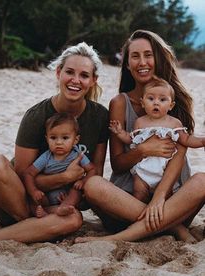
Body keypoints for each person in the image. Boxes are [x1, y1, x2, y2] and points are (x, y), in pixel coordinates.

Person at [0, 41, 109, 248]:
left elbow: (94, 173)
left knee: (74, 219)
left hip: (56, 207)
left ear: (93, 80)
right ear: (58, 73)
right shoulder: (36, 116)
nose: (75, 80)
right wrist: (64, 177)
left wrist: (72, 193)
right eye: (69, 72)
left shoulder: (99, 117)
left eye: (84, 75)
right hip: (13, 202)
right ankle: (30, 224)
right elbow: (19, 179)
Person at [75, 29, 205, 244]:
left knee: (202, 180)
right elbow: (117, 165)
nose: (142, 61)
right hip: (128, 203)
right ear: (127, 64)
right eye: (135, 56)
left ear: (158, 58)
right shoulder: (120, 103)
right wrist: (144, 150)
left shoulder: (175, 101)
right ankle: (172, 227)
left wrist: (160, 197)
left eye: (148, 54)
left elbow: (178, 157)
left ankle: (123, 237)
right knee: (93, 185)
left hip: (172, 201)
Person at [109, 76, 205, 201]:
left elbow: (186, 140)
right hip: (143, 170)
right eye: (151, 98)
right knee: (139, 192)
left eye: (162, 99)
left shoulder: (174, 123)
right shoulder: (140, 122)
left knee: (167, 195)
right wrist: (120, 132)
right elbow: (131, 140)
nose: (156, 102)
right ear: (143, 103)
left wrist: (202, 141)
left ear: (171, 105)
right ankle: (139, 211)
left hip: (165, 170)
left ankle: (163, 214)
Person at [23, 112, 95, 218]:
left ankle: (64, 207)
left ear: (75, 140)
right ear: (47, 139)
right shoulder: (46, 157)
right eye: (53, 138)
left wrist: (83, 181)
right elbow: (28, 173)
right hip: (49, 192)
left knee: (76, 191)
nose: (59, 142)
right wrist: (34, 191)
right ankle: (44, 211)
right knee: (37, 199)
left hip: (68, 192)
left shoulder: (77, 155)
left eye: (65, 138)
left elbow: (92, 169)